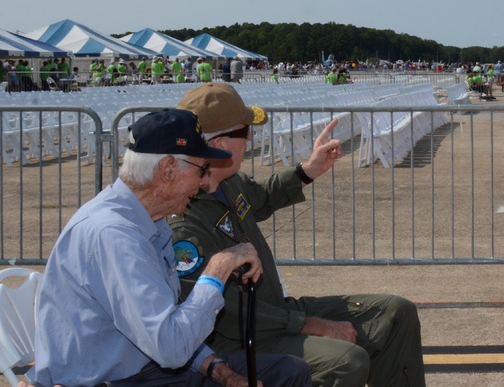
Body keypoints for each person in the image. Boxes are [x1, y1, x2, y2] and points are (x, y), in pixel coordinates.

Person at [28, 108, 311, 387]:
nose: (203, 182)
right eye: (201, 169)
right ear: (168, 170)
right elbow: (171, 346)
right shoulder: (114, 234)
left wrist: (218, 370)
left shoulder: (147, 219)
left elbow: (169, 328)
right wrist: (219, 267)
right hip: (109, 380)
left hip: (148, 369)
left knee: (288, 372)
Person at [170, 83, 426, 387]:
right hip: (239, 336)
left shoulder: (229, 183)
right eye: (243, 132)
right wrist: (311, 325)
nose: (250, 138)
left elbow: (261, 196)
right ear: (220, 144)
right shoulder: (185, 223)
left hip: (272, 313)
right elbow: (227, 313)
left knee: (396, 314)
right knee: (345, 362)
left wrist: (308, 170)